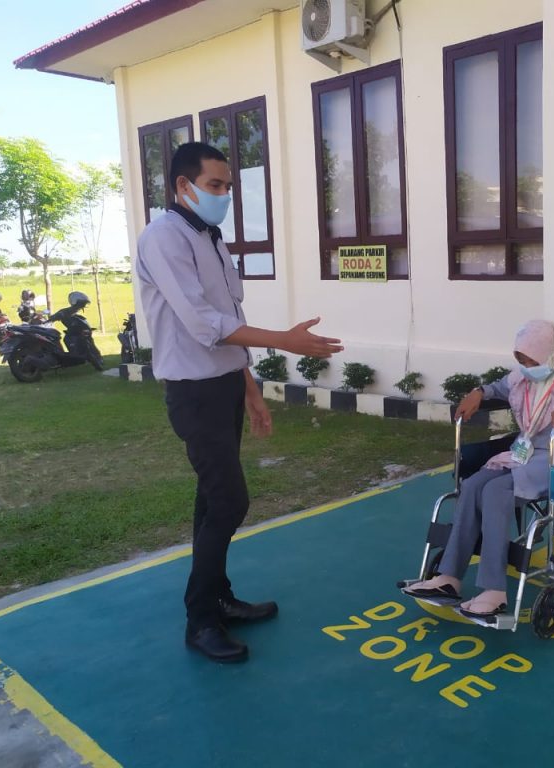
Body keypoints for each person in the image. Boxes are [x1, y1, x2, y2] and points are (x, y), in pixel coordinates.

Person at [136, 142, 343, 664]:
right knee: (229, 501)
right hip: (193, 393)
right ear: (182, 186)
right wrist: (284, 340)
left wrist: (250, 390)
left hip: (224, 387)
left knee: (212, 500)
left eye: (228, 186)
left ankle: (219, 598)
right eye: (214, 186)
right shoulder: (163, 238)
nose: (224, 195)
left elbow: (227, 322)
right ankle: (200, 619)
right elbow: (204, 324)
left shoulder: (212, 239)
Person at [402, 320, 554, 618]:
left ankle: (494, 590)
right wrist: (478, 391)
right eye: (520, 359)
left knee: (495, 491)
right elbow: (498, 387)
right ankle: (449, 578)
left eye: (531, 360)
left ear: (550, 355)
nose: (525, 366)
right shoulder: (521, 379)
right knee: (472, 485)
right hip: (524, 453)